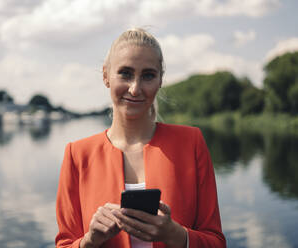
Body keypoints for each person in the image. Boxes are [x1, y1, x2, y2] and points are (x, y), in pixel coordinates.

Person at [55, 28, 226, 248]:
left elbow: (217, 243)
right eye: (125, 73)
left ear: (160, 80)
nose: (135, 89)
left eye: (148, 75)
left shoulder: (191, 143)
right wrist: (89, 241)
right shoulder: (77, 155)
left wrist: (175, 234)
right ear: (106, 76)